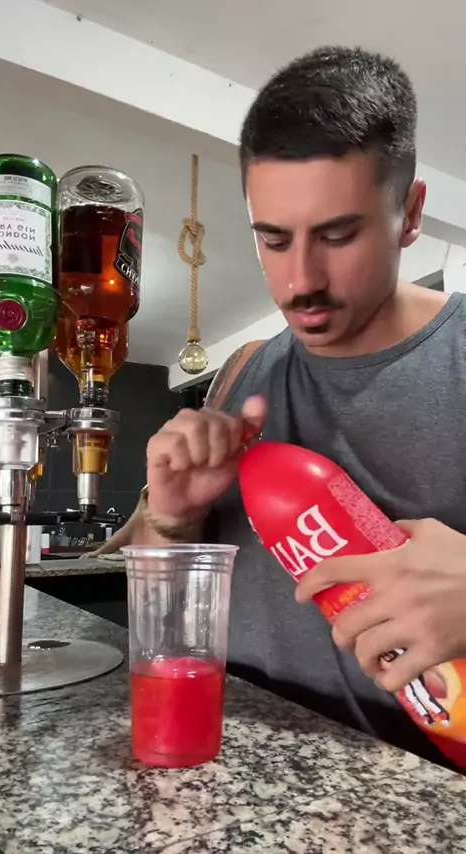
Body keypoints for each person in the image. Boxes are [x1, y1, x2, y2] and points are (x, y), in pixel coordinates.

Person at [92, 46, 466, 767]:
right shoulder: (242, 370)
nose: (300, 282)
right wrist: (172, 516)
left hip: (409, 803)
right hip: (230, 777)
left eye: (338, 235)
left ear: (411, 213)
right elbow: (168, 611)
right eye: (273, 239)